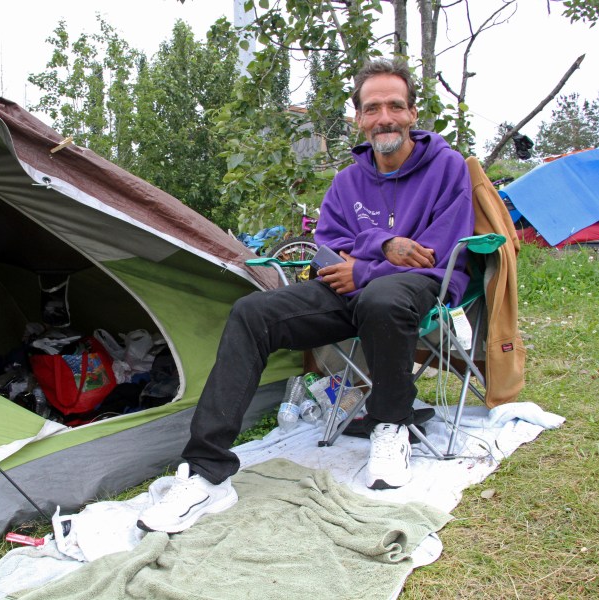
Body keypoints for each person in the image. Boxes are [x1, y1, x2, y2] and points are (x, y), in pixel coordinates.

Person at [137, 58, 474, 534]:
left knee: (384, 297)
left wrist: (366, 268)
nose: (384, 118)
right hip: (349, 287)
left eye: (395, 106)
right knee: (251, 312)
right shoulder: (347, 181)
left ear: (413, 113)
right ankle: (205, 472)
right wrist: (379, 249)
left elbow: (431, 256)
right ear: (358, 118)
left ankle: (390, 425)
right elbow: (324, 249)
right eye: (372, 107)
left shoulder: (447, 167)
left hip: (419, 289)